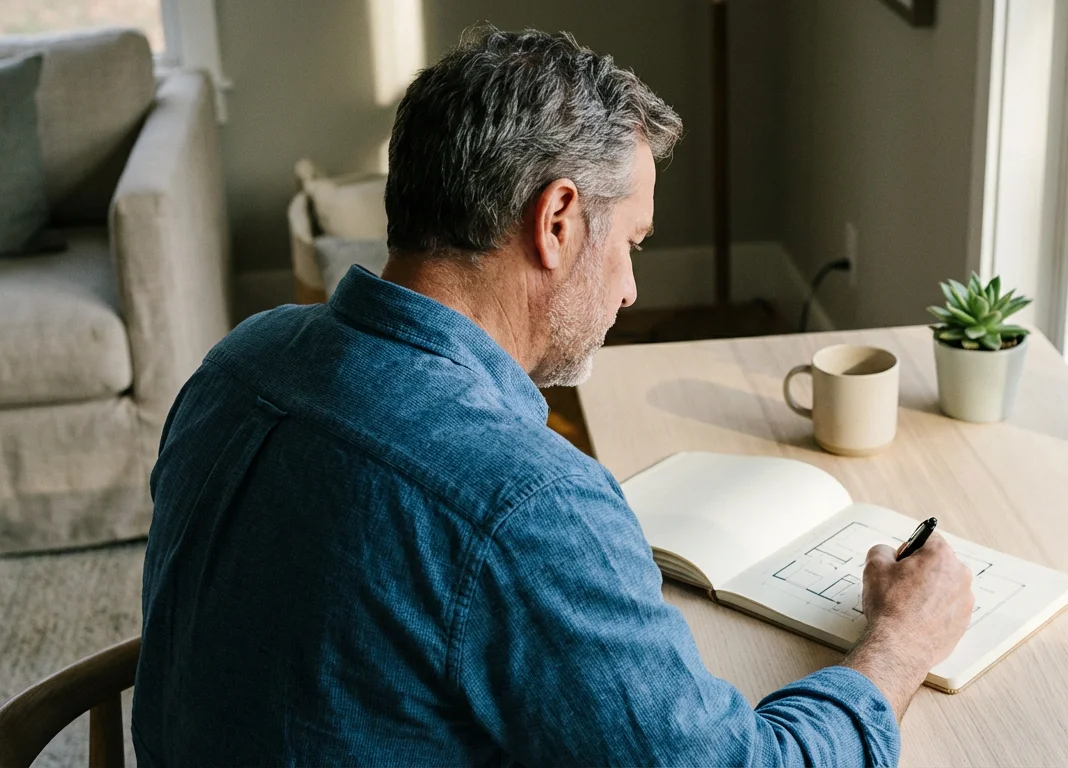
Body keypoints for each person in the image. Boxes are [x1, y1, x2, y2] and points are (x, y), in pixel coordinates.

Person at [131, 26, 974, 766]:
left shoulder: (238, 360)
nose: (633, 291)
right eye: (634, 243)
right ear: (558, 220)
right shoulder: (525, 506)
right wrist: (900, 644)